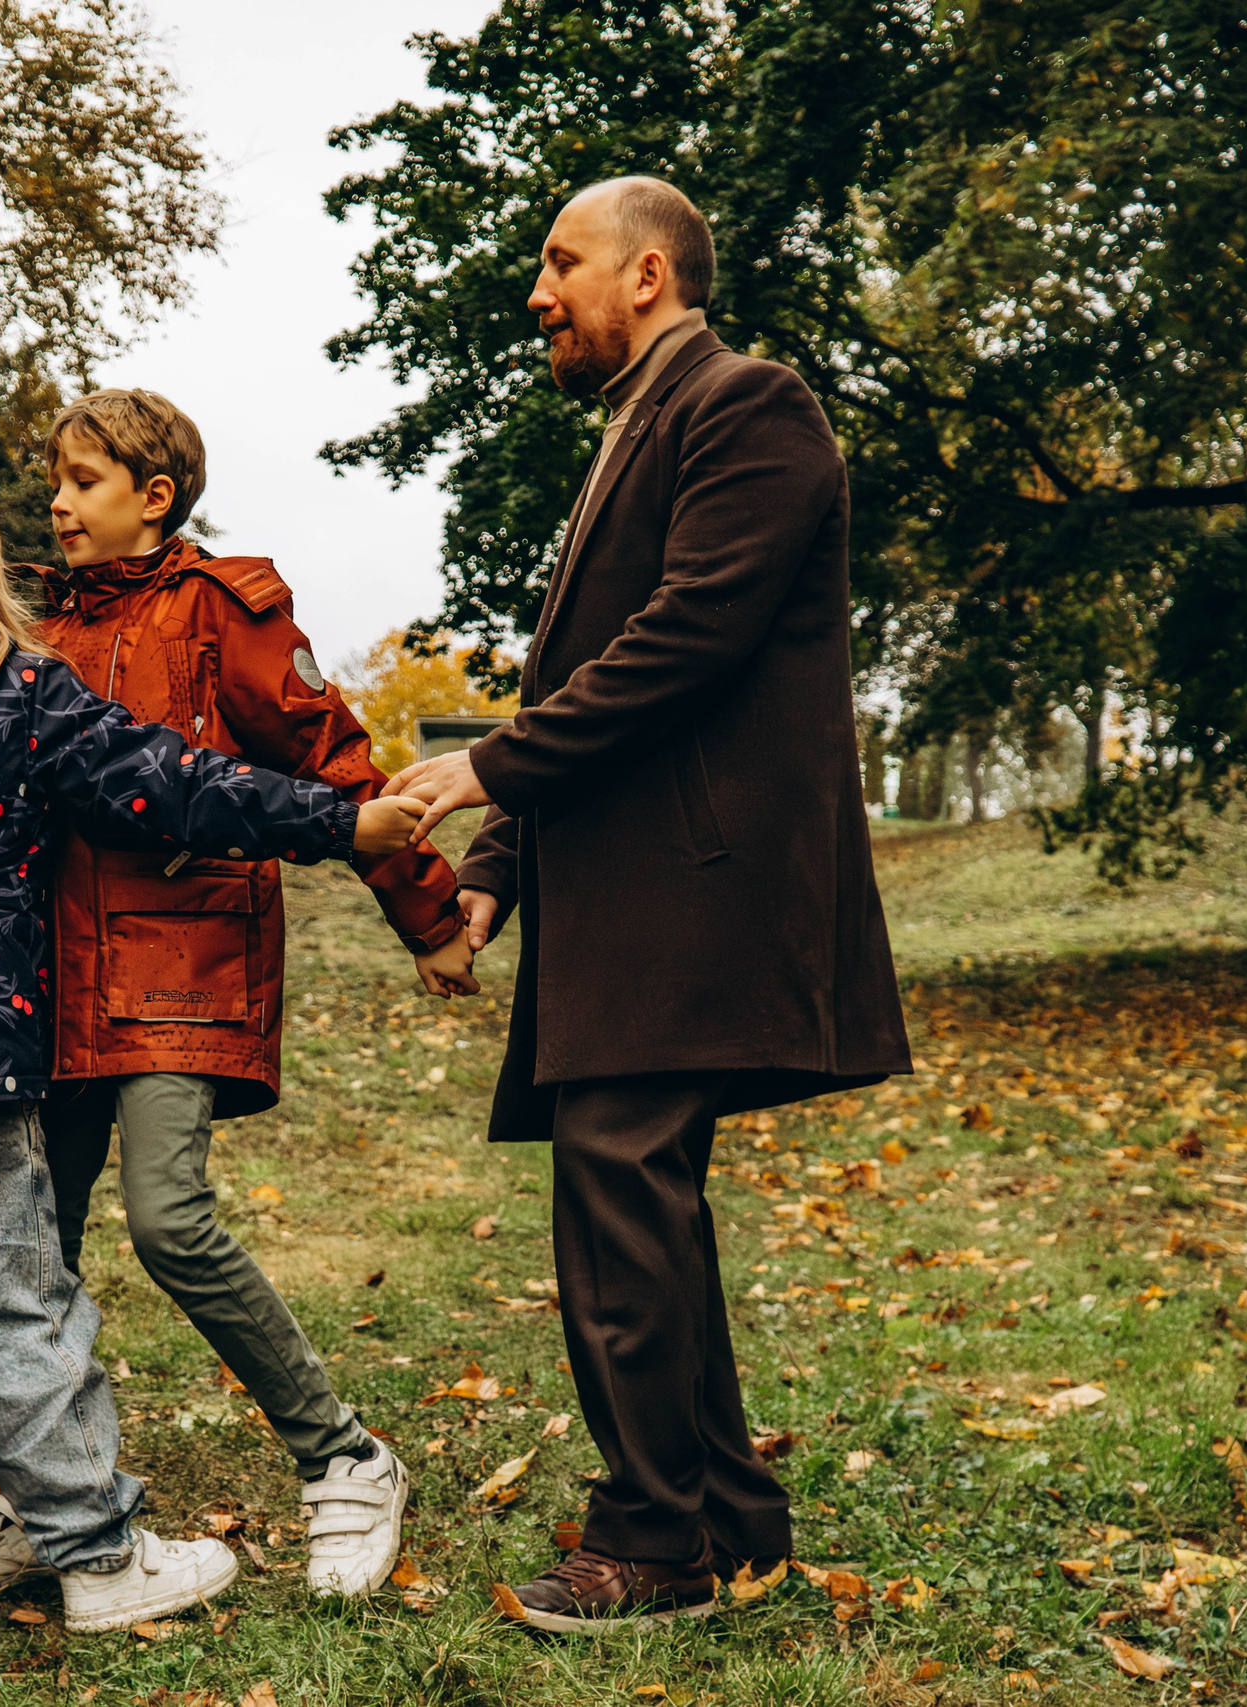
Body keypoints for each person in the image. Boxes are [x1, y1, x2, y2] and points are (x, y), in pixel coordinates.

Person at [0, 477, 431, 1638]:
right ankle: (97, 1555)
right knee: (8, 1304)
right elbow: (176, 787)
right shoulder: (21, 695)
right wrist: (338, 821)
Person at [389, 177, 912, 1633]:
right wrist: (492, 874)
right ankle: (730, 1521)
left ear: (648, 272)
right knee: (641, 1200)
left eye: (561, 262)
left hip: (700, 888)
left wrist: (484, 769)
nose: (537, 292)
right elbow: (581, 675)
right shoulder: (636, 425)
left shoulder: (750, 404)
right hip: (627, 891)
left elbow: (690, 637)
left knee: (620, 1184)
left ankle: (655, 1542)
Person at [0, 388, 470, 1602]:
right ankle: (53, 1496)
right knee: (35, 1246)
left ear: (154, 496)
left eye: (82, 482)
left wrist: (428, 913)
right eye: (53, 480)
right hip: (45, 976)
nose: (56, 502)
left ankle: (343, 1457)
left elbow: (333, 760)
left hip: (181, 965)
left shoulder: (224, 613)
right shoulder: (27, 623)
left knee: (168, 1220)